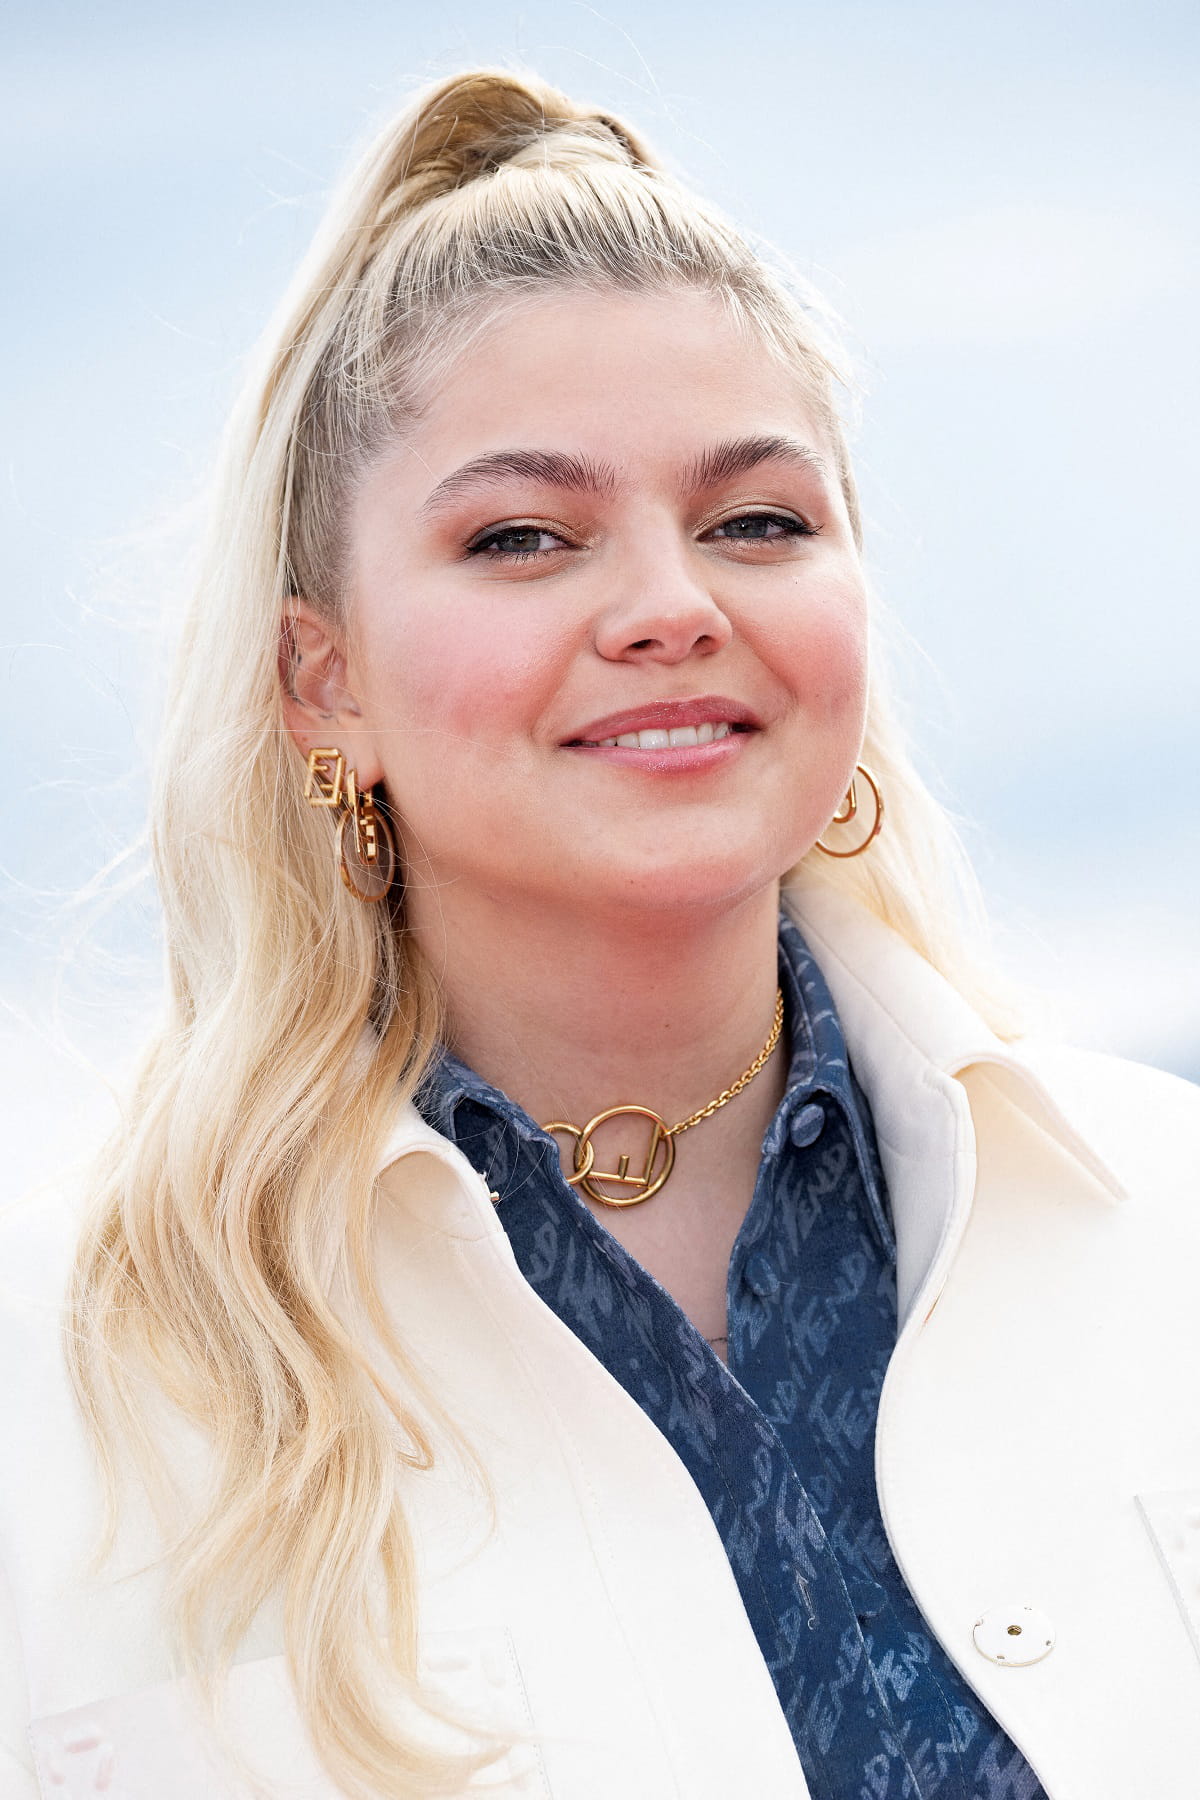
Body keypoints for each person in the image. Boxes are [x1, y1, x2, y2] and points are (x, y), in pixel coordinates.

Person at [1, 66, 1198, 1800]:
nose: (670, 606)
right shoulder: (58, 1394)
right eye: (524, 536)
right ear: (322, 684)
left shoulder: (1173, 1224)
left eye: (758, 520)